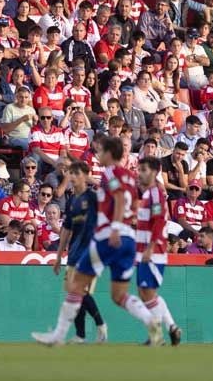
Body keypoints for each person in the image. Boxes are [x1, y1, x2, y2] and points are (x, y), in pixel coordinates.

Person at [32, 136, 162, 347]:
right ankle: (151, 321)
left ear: (109, 154)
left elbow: (119, 198)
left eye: (100, 151)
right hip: (129, 238)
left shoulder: (111, 172)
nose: (97, 156)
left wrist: (115, 227)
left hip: (109, 237)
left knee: (75, 285)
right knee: (118, 295)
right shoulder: (129, 175)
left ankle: (58, 336)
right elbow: (134, 202)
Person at [51, 161, 107, 344]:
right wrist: (59, 256)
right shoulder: (72, 200)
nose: (72, 177)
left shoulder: (93, 197)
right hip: (74, 252)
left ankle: (100, 326)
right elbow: (66, 230)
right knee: (74, 293)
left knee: (78, 291)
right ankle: (81, 334)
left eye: (76, 174)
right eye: (71, 174)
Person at [135, 156, 182, 346]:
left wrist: (150, 247)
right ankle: (171, 328)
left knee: (147, 292)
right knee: (146, 292)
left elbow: (159, 221)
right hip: (146, 250)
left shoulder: (155, 194)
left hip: (153, 251)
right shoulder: (147, 196)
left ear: (154, 173)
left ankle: (157, 335)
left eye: (144, 170)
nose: (140, 173)